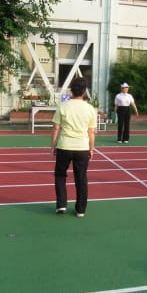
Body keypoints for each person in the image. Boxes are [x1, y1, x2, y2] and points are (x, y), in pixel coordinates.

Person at [51, 77, 97, 217]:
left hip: (64, 146)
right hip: (82, 147)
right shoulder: (90, 109)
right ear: (84, 91)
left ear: (71, 89)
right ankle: (80, 209)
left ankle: (62, 204)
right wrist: (91, 148)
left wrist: (53, 146)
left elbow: (56, 128)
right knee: (81, 178)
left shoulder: (63, 106)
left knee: (60, 175)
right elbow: (91, 132)